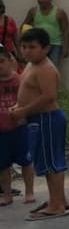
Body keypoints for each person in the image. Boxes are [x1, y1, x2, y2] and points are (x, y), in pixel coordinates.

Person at [11, 28, 69, 221]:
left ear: (45, 49)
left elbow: (48, 97)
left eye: (32, 47)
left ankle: (57, 205)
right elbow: (30, 92)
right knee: (45, 161)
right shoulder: (31, 65)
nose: (27, 50)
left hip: (48, 119)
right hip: (37, 120)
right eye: (24, 46)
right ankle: (59, 199)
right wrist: (18, 107)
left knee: (52, 163)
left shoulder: (46, 68)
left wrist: (24, 111)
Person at [0, 47, 35, 207]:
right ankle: (7, 194)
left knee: (26, 162)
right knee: (3, 165)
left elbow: (29, 101)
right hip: (1, 131)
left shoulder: (20, 80)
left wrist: (25, 116)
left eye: (1, 61)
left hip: (19, 129)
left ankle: (29, 191)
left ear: (10, 61)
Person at [22, 0, 69, 66]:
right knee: (36, 66)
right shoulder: (33, 11)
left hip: (55, 44)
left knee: (53, 67)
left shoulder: (59, 12)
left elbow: (65, 31)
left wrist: (66, 48)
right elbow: (25, 25)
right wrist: (25, 42)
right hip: (38, 44)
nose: (40, 0)